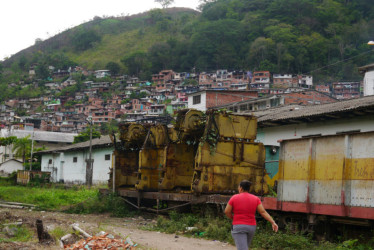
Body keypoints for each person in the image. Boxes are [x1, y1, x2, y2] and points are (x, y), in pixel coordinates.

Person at [225, 180, 278, 250]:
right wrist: (273, 222)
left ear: (240, 188)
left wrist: (232, 217)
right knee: (245, 247)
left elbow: (227, 211)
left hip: (238, 226)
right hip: (251, 227)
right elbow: (263, 212)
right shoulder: (255, 198)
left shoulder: (234, 198)